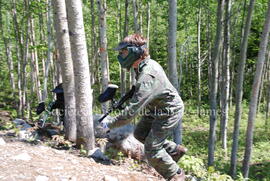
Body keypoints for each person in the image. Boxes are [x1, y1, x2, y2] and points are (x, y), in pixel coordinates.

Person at [101, 34, 187, 181]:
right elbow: (139, 92)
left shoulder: (147, 74)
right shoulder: (143, 66)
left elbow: (131, 112)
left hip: (168, 111)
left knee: (152, 148)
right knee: (140, 133)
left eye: (123, 52)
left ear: (135, 52)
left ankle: (176, 175)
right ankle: (174, 151)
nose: (120, 55)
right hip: (156, 108)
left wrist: (110, 123)